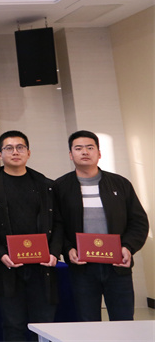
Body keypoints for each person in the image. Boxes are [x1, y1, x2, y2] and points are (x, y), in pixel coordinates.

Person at [54, 130, 149, 321]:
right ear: (71, 155)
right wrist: (68, 248)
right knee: (87, 321)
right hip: (81, 268)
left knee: (123, 321)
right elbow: (56, 225)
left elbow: (139, 222)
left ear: (99, 153)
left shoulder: (120, 184)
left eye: (90, 147)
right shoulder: (60, 187)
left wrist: (128, 247)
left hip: (117, 265)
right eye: (78, 148)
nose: (84, 152)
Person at [0, 131, 60, 341]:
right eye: (9, 148)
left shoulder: (45, 184)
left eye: (20, 147)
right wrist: (0, 254)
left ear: (28, 152)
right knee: (13, 325)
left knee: (43, 325)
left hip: (42, 267)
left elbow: (58, 222)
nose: (15, 152)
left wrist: (54, 252)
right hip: (8, 266)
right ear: (0, 154)